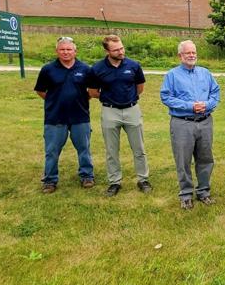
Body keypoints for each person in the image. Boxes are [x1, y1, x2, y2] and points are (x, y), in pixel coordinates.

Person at [87, 34, 151, 197]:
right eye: (116, 50)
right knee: (111, 150)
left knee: (139, 148)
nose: (121, 52)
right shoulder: (97, 68)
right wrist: (110, 99)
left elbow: (140, 87)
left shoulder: (134, 65)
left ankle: (143, 179)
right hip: (110, 111)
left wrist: (128, 99)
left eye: (122, 48)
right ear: (107, 51)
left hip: (132, 110)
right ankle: (115, 182)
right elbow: (93, 92)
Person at [160, 40, 220, 210]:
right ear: (180, 56)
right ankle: (186, 194)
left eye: (194, 52)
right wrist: (190, 106)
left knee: (205, 159)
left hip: (205, 122)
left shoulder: (205, 73)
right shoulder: (172, 75)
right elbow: (166, 97)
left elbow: (215, 93)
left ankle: (203, 192)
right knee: (183, 160)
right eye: (188, 53)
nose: (192, 55)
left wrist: (207, 105)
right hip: (182, 124)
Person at [34, 36, 95, 193]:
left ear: (75, 51)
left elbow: (91, 91)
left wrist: (80, 99)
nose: (66, 52)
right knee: (52, 151)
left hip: (80, 117)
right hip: (55, 117)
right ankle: (50, 180)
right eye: (62, 49)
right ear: (57, 51)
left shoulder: (85, 69)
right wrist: (54, 101)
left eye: (69, 49)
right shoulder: (48, 69)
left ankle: (87, 176)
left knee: (84, 148)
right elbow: (40, 90)